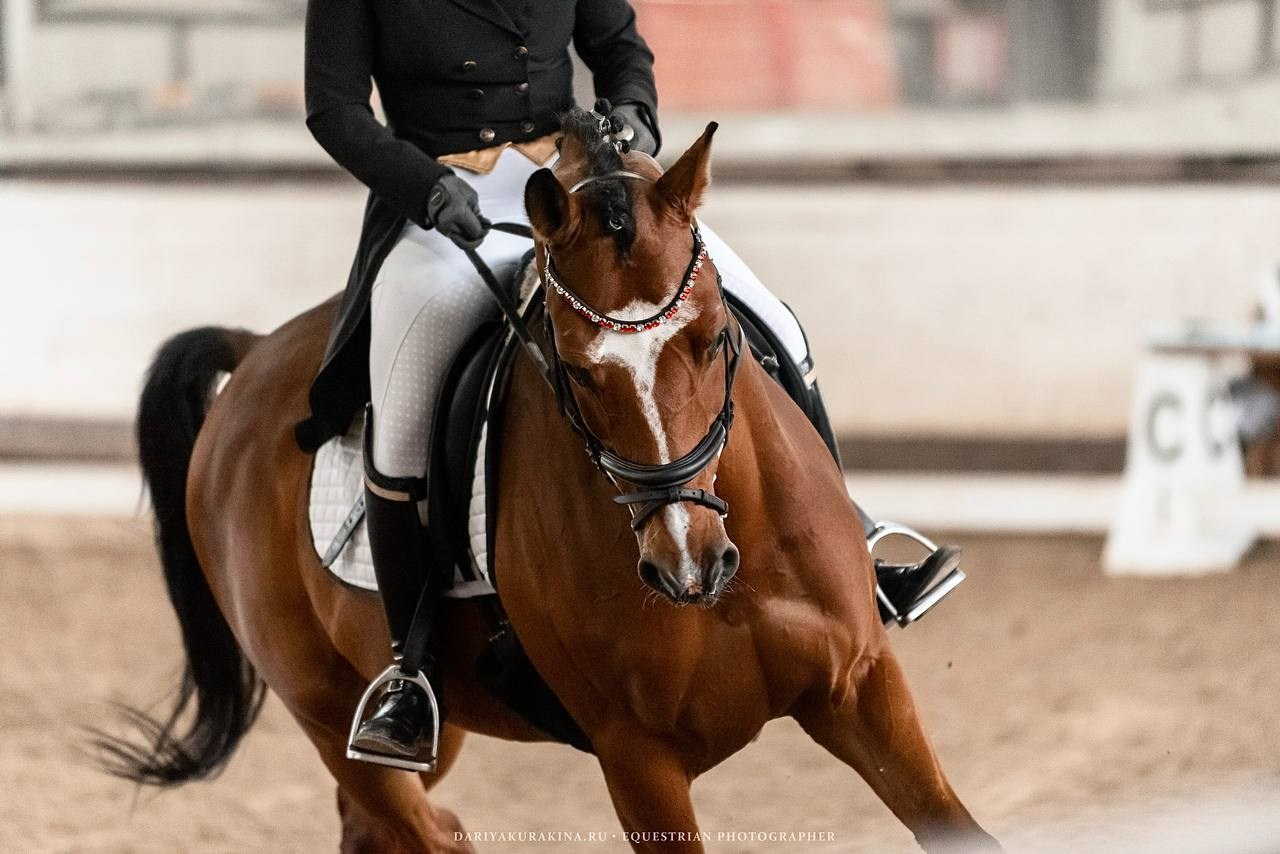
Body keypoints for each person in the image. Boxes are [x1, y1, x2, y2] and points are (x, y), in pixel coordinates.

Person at [299, 0, 957, 766]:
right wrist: (422, 186)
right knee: (405, 412)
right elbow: (334, 108)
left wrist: (636, 117)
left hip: (581, 184)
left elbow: (618, 45)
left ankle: (858, 547)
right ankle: (411, 670)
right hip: (447, 199)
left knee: (774, 320)